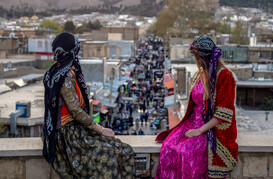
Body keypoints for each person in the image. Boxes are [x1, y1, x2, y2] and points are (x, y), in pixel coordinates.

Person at [42, 32, 135, 178]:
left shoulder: (65, 73)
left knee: (124, 150)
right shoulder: (63, 77)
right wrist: (100, 129)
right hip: (67, 136)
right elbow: (75, 110)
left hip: (76, 130)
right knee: (108, 161)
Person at [155, 36, 238, 179]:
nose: (193, 59)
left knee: (188, 151)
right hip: (192, 121)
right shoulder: (200, 73)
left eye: (194, 56)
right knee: (168, 146)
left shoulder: (225, 76)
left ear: (201, 58)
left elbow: (223, 114)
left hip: (211, 127)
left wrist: (199, 130)